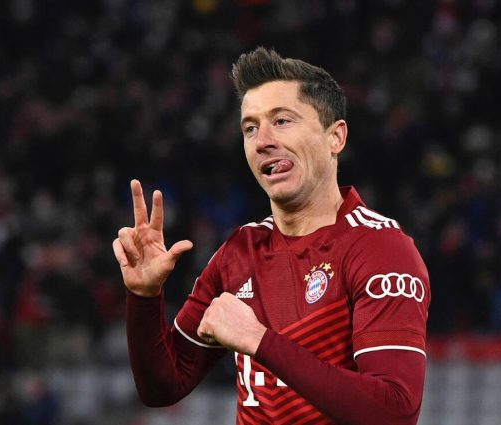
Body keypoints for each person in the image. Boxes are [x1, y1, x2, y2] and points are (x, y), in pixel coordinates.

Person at [112, 47, 431, 425]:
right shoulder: (239, 252)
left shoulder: (380, 249)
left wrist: (259, 340)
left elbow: (394, 412)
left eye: (281, 121)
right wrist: (144, 297)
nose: (262, 140)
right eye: (250, 128)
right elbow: (164, 387)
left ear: (335, 137)